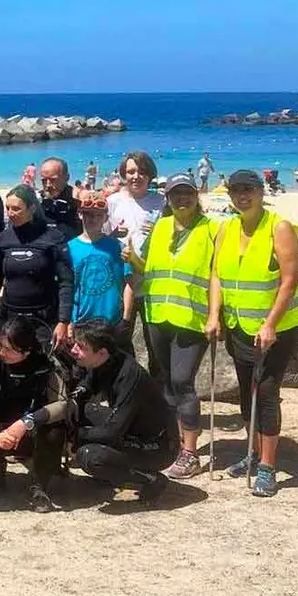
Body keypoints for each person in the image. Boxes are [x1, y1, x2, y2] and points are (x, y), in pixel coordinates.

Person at [208, 169, 298, 497]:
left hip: (276, 329)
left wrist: (271, 324)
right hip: (239, 327)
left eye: (248, 189)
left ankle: (267, 465)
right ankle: (252, 451)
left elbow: (290, 280)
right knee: (246, 393)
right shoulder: (226, 228)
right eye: (236, 191)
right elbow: (217, 275)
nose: (242, 195)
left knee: (265, 392)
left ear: (261, 191)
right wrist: (214, 314)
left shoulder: (279, 227)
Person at [124, 174, 217, 479]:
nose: (182, 199)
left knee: (182, 382)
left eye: (187, 193)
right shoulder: (161, 227)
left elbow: (220, 275)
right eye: (175, 194)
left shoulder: (212, 229)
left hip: (192, 319)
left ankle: (190, 453)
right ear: (167, 198)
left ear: (196, 195)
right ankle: (171, 442)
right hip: (158, 316)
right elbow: (148, 269)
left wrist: (217, 315)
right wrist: (132, 258)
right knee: (163, 382)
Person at [0, 317, 69, 512]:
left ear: (27, 350)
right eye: (0, 346)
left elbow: (63, 405)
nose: (2, 353)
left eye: (9, 349)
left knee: (56, 431)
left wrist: (26, 423)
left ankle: (39, 486)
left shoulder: (44, 366)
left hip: (30, 433)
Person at [70, 319, 179, 502]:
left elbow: (112, 432)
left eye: (80, 347)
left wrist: (75, 435)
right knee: (80, 411)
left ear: (102, 352)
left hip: (157, 446)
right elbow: (85, 389)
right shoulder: (104, 361)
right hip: (130, 428)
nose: (73, 350)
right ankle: (112, 473)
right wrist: (71, 406)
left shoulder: (129, 376)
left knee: (89, 455)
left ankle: (150, 479)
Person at [0, 185, 73, 352]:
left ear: (32, 208)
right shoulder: (3, 238)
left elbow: (66, 282)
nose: (10, 213)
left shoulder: (52, 238)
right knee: (9, 363)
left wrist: (63, 321)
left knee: (43, 367)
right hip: (10, 317)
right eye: (8, 208)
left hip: (43, 318)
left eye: (16, 209)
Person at [105, 151, 165, 325]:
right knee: (120, 338)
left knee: (155, 343)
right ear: (124, 174)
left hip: (152, 283)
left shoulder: (161, 201)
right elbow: (99, 240)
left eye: (142, 172)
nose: (136, 176)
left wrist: (158, 231)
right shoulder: (112, 201)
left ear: (150, 175)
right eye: (131, 172)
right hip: (121, 283)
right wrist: (113, 234)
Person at [67, 192, 132, 348]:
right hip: (81, 322)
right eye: (88, 214)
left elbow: (129, 284)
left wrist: (125, 319)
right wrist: (67, 321)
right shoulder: (69, 248)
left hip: (111, 322)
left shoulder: (118, 247)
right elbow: (66, 288)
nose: (93, 219)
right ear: (80, 215)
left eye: (98, 215)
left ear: (106, 217)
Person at [39, 157, 82, 240]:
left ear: (67, 178)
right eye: (44, 180)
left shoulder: (77, 200)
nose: (48, 185)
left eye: (53, 180)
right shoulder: (37, 203)